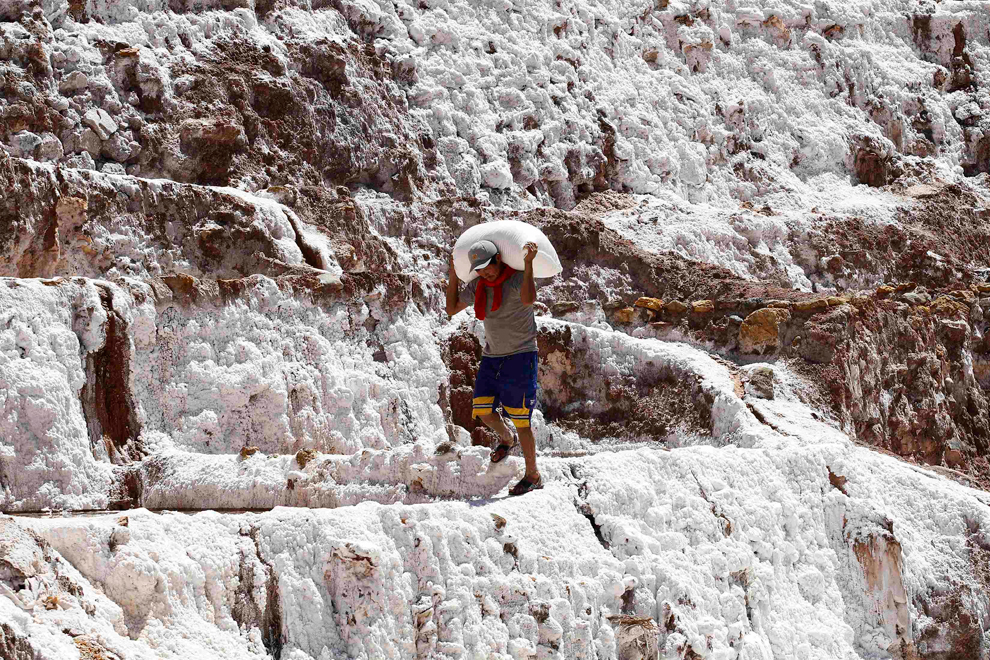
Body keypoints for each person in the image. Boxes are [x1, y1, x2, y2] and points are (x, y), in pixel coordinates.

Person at [446, 239, 543, 496]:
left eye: (487, 267)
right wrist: (453, 276)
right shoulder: (479, 285)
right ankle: (506, 439)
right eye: (479, 269)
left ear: (498, 259)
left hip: (521, 355)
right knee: (483, 410)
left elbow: (529, 298)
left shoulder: (516, 279)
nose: (484, 272)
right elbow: (451, 307)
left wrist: (529, 264)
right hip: (492, 357)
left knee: (521, 418)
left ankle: (533, 474)